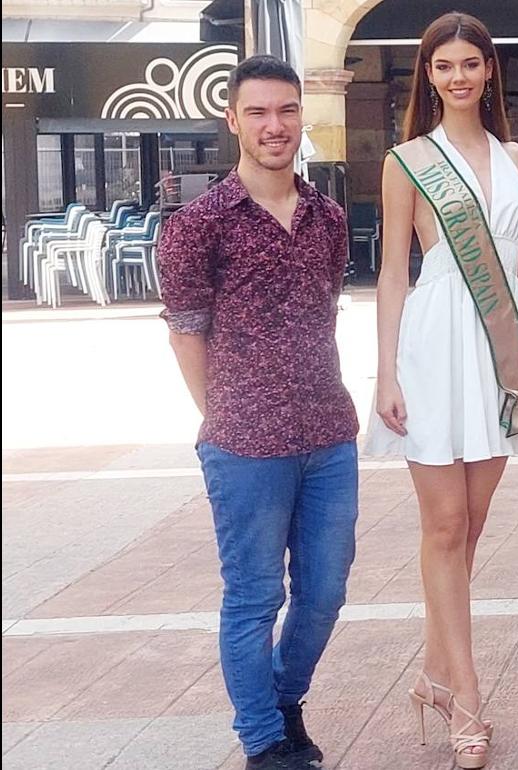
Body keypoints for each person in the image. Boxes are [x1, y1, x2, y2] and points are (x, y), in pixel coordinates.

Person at [158, 55, 359, 770]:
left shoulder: (328, 216)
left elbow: (326, 306)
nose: (274, 126)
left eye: (286, 110)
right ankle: (265, 742)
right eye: (259, 112)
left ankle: (283, 695)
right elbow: (185, 328)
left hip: (330, 433)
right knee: (251, 598)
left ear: (301, 116)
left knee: (327, 590)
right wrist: (223, 418)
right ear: (234, 120)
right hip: (245, 443)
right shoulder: (198, 224)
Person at [364, 11, 518, 769]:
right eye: (444, 67)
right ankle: (467, 700)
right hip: (434, 347)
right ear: (428, 77)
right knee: (442, 527)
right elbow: (395, 271)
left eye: (470, 64)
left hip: (500, 354)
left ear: (489, 70)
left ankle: (435, 676)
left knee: (469, 527)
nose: (459, 76)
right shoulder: (408, 160)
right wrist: (385, 370)